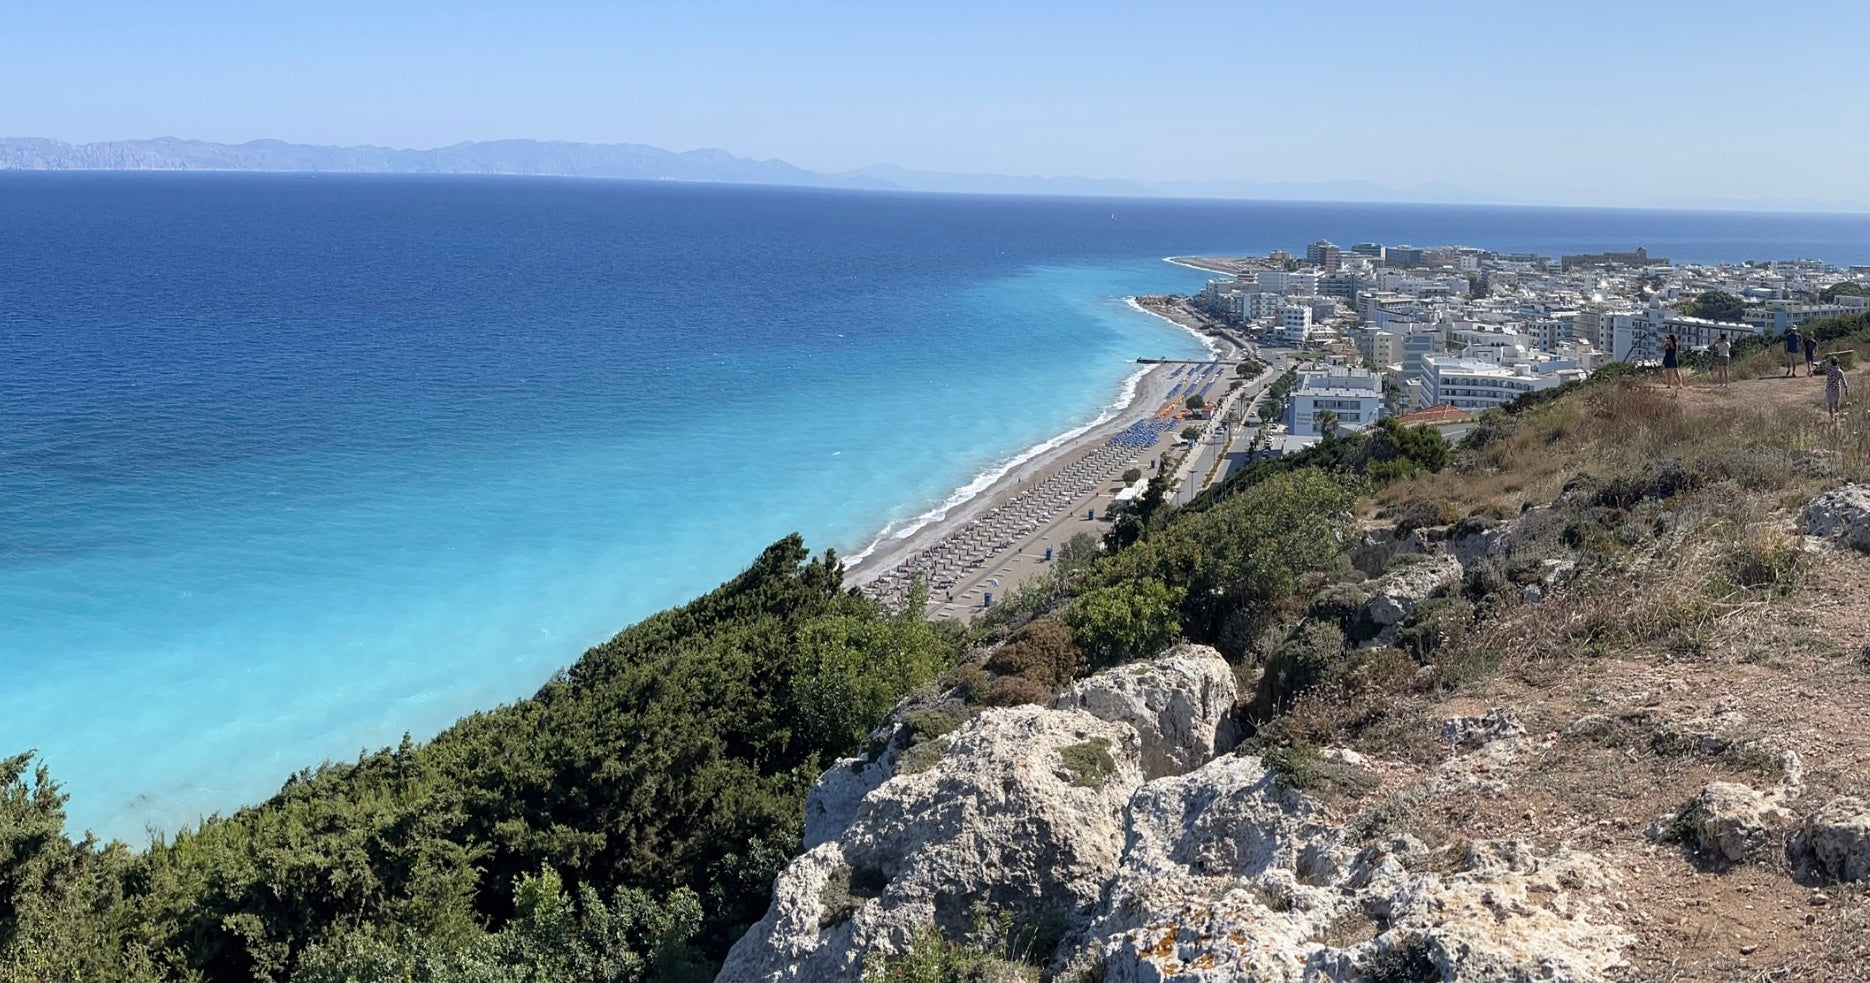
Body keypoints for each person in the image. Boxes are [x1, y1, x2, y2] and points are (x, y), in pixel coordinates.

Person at [1825, 355, 1850, 424]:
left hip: (1829, 388)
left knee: (1830, 404)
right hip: (1836, 388)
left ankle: (1832, 418)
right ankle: (1836, 418)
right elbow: (1843, 381)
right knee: (1836, 404)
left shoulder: (1829, 370)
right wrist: (1846, 389)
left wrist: (1827, 360)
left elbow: (1823, 366)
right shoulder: (1840, 371)